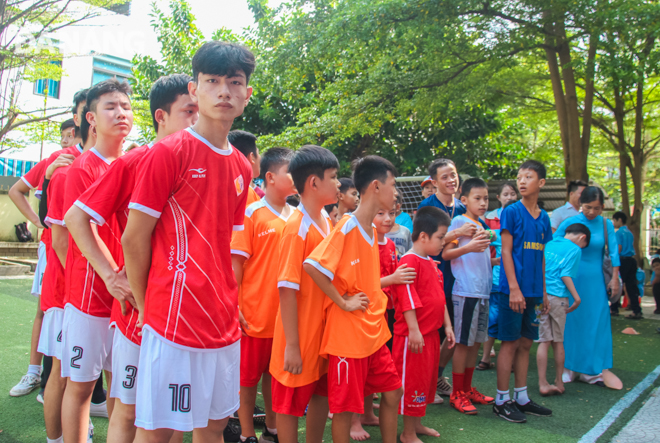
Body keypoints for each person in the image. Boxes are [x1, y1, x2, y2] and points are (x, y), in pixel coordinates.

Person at [122, 41, 255, 443]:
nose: (224, 91)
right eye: (212, 81)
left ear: (247, 94)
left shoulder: (241, 167)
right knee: (159, 429)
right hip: (173, 317)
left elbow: (225, 246)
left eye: (234, 82)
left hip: (222, 320)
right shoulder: (168, 152)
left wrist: (232, 302)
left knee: (213, 426)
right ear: (195, 90)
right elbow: (134, 238)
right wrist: (147, 307)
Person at [65, 74, 197, 443]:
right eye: (189, 111)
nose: (196, 120)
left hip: (183, 311)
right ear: (161, 115)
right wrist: (110, 276)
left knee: (170, 415)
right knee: (129, 408)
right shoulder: (136, 161)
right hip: (139, 310)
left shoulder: (206, 163)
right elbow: (75, 219)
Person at [303, 156, 403, 443]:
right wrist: (343, 302)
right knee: (345, 409)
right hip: (348, 336)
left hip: (373, 332)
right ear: (375, 186)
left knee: (393, 391)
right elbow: (313, 265)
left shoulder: (371, 229)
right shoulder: (346, 226)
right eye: (393, 185)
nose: (395, 192)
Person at [60, 79, 133, 443]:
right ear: (90, 117)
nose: (121, 113)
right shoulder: (82, 168)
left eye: (126, 106)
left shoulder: (135, 164)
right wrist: (109, 276)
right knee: (81, 387)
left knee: (121, 391)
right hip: (90, 295)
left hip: (127, 297)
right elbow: (73, 231)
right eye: (110, 107)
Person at [6, 88, 87, 399]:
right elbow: (17, 190)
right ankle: (37, 374)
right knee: (49, 309)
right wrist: (39, 221)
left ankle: (87, 396)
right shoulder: (58, 159)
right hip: (56, 249)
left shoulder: (111, 160)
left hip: (90, 259)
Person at [269, 145, 339, 443]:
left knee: (321, 394)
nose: (338, 183)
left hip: (324, 333)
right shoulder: (296, 228)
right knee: (289, 405)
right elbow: (286, 288)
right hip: (298, 335)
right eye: (334, 177)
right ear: (313, 182)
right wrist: (293, 346)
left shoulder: (327, 221)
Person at [38, 98, 96, 443]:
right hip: (67, 293)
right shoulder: (65, 169)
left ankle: (80, 430)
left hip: (90, 292)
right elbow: (60, 240)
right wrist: (81, 282)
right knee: (62, 373)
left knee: (81, 377)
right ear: (82, 118)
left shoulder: (110, 164)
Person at [232, 148, 296, 443]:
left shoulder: (297, 216)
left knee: (276, 377)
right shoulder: (252, 213)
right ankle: (247, 434)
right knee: (247, 381)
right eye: (291, 172)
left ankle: (272, 427)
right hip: (253, 317)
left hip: (285, 320)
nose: (297, 178)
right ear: (270, 177)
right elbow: (237, 266)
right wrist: (234, 306)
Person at [494, 160, 553, 424]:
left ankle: (521, 397)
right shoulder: (512, 212)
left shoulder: (545, 217)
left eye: (528, 177)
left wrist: (544, 294)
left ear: (540, 183)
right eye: (519, 177)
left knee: (526, 343)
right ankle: (501, 400)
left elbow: (541, 257)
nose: (521, 181)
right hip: (512, 291)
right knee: (510, 343)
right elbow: (506, 251)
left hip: (535, 294)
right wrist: (514, 289)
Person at [418, 158, 480, 397]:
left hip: (461, 278)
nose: (451, 180)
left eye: (453, 175)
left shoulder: (465, 207)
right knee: (434, 330)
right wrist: (457, 232)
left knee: (455, 330)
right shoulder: (427, 206)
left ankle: (437, 375)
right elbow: (423, 242)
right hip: (433, 276)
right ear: (434, 182)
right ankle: (425, 379)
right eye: (444, 177)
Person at [391, 206, 455, 443]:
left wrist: (447, 326)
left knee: (425, 383)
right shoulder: (409, 261)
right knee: (412, 383)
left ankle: (416, 424)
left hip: (429, 336)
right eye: (440, 238)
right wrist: (414, 330)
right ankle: (407, 433)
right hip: (412, 338)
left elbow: (440, 298)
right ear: (423, 236)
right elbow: (406, 297)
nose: (442, 243)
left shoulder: (431, 262)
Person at [555, 186, 621, 386]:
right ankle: (568, 369)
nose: (592, 212)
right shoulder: (569, 222)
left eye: (597, 208)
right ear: (580, 204)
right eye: (587, 207)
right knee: (571, 324)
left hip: (595, 282)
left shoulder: (605, 224)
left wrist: (615, 278)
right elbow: (554, 243)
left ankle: (591, 371)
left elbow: (614, 252)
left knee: (595, 323)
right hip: (571, 280)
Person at [442, 178, 495, 414]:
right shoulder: (459, 222)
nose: (483, 202)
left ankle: (467, 388)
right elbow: (446, 253)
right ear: (463, 200)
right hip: (465, 292)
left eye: (486, 198)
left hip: (482, 292)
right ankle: (457, 393)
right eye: (477, 198)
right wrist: (470, 247)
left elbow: (479, 257)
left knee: (475, 342)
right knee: (463, 343)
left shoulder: (481, 224)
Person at [536, 223, 589, 396]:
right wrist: (577, 297)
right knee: (557, 341)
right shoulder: (575, 249)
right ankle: (559, 382)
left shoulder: (549, 242)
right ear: (582, 238)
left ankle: (542, 383)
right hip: (558, 297)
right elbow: (565, 275)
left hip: (541, 295)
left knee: (544, 340)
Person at [611, 212, 642, 319]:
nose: (613, 223)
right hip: (631, 260)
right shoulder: (629, 232)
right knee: (631, 286)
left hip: (622, 260)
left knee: (617, 284)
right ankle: (636, 310)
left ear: (619, 220)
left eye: (614, 220)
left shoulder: (619, 233)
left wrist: (613, 258)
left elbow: (619, 248)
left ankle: (614, 308)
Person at [228, 129, 262, 206]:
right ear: (252, 157)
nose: (260, 158)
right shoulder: (249, 194)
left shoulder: (226, 191)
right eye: (258, 153)